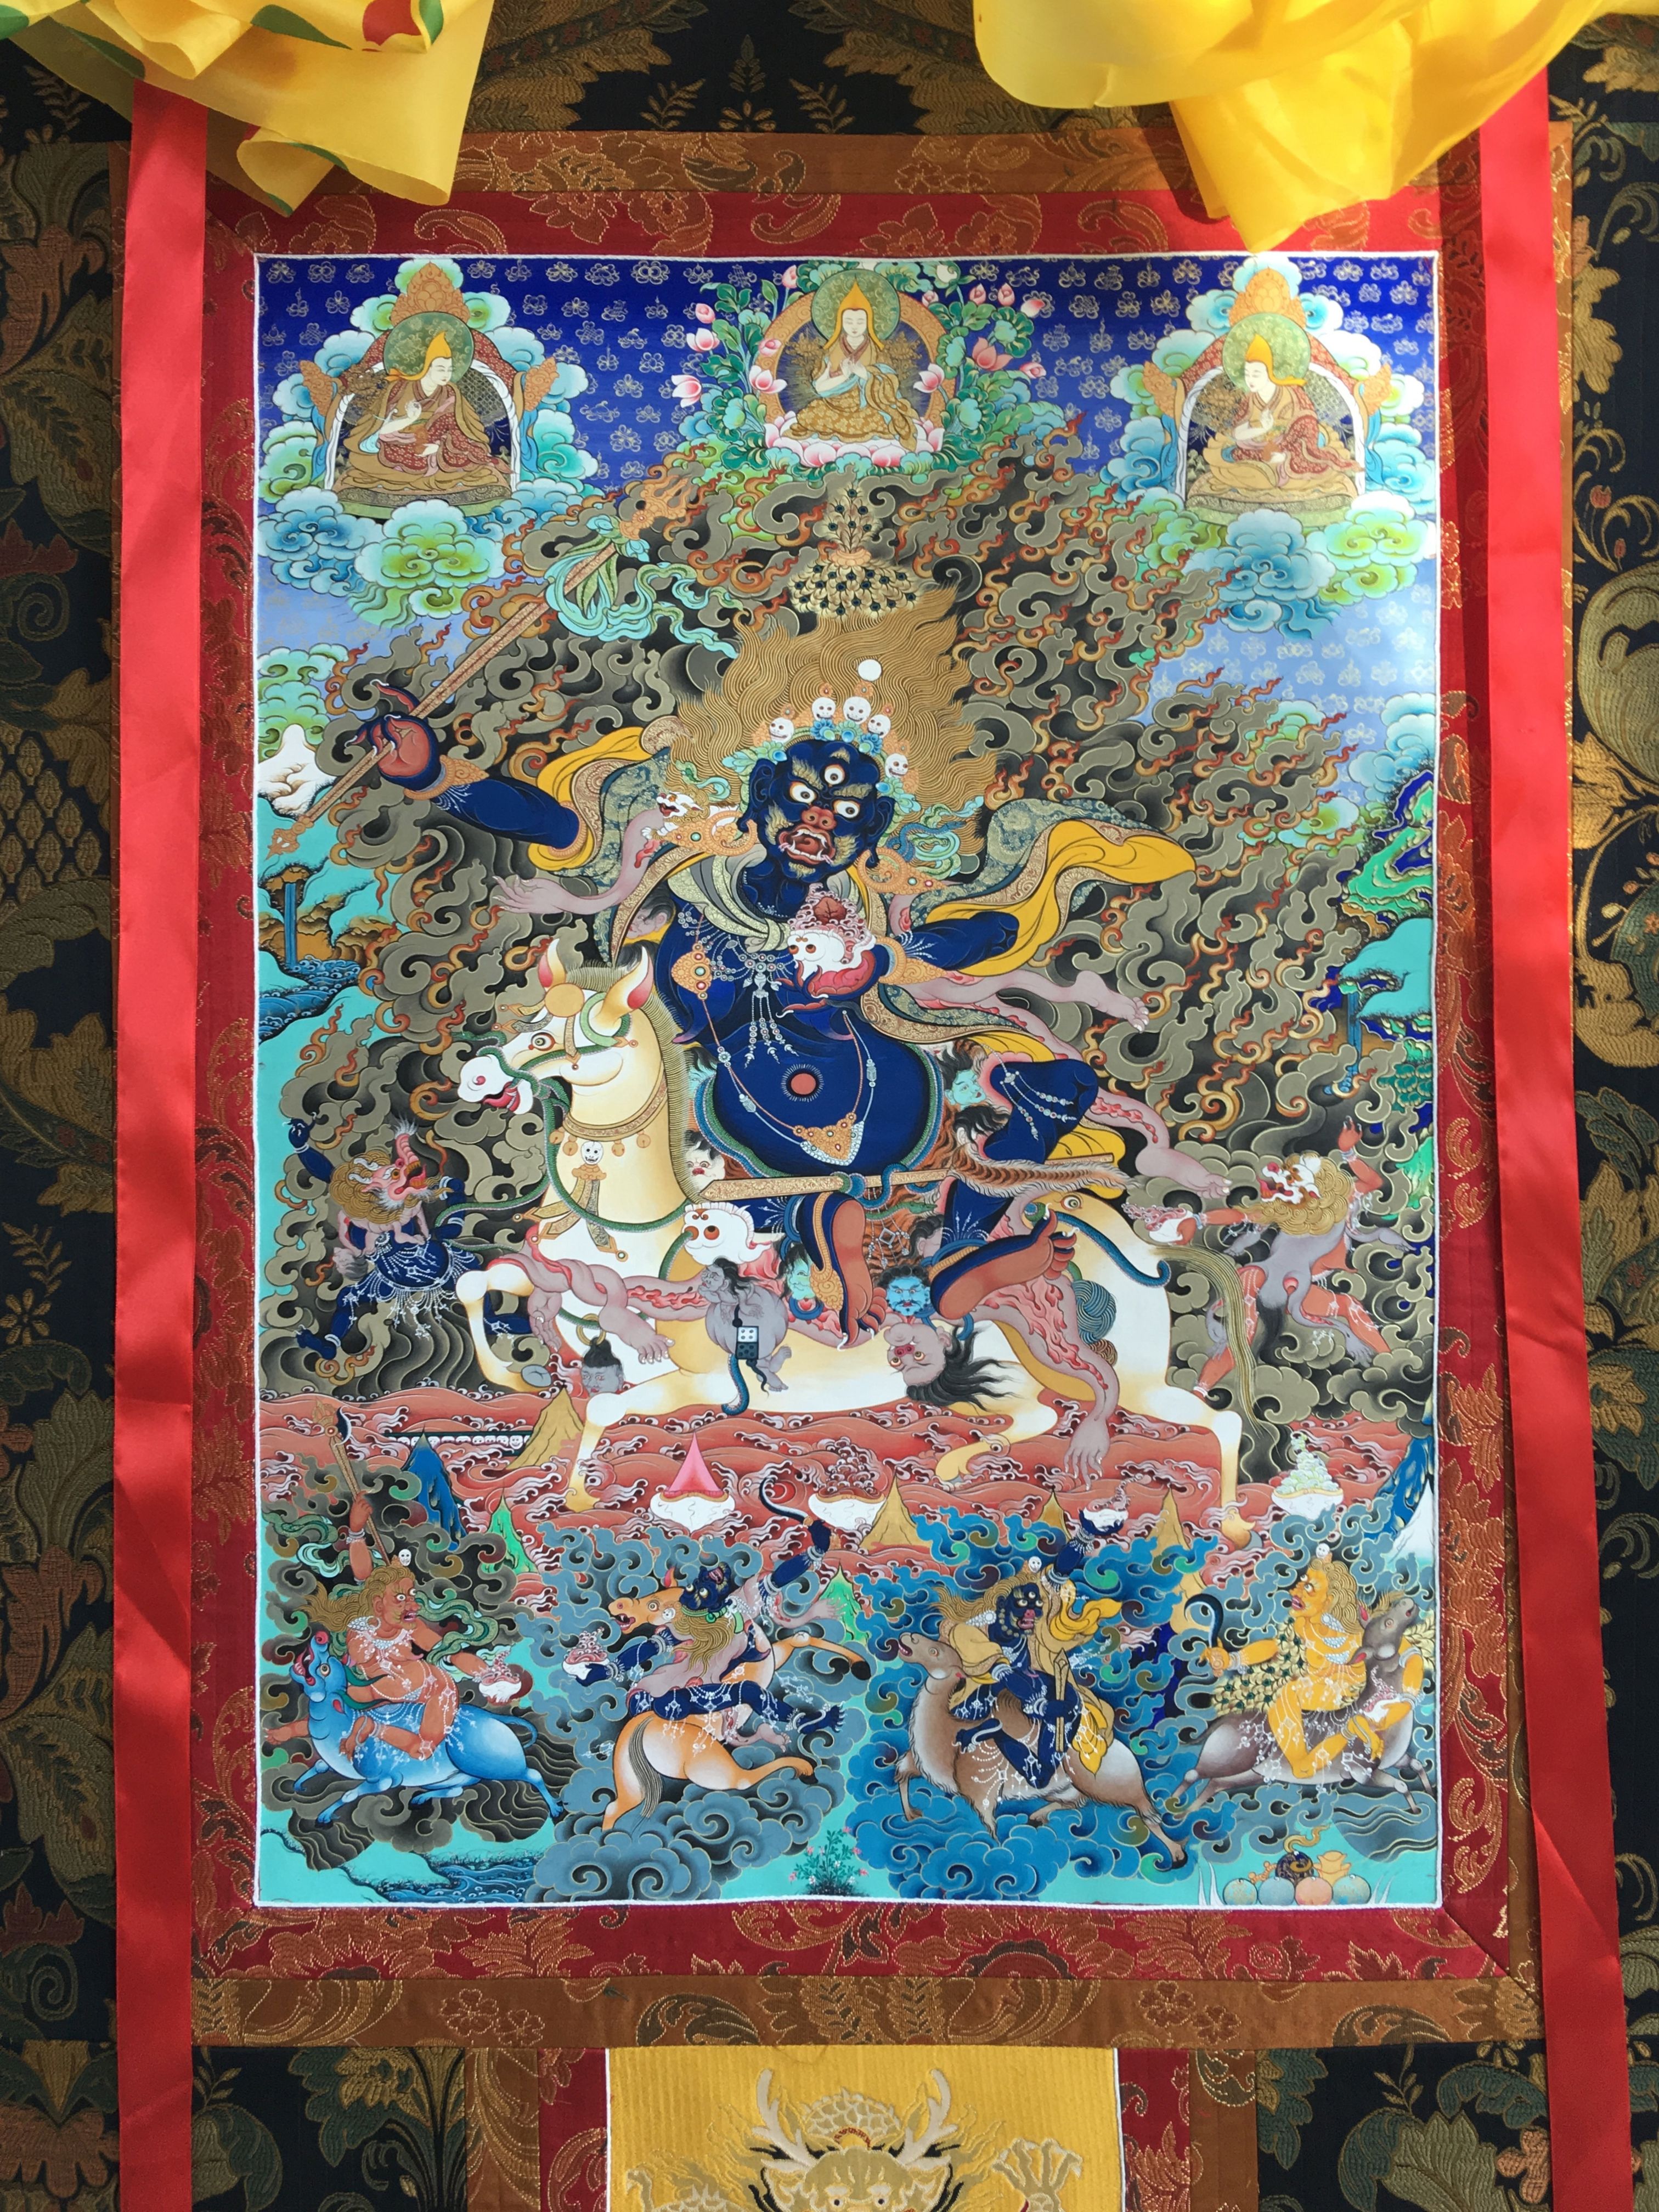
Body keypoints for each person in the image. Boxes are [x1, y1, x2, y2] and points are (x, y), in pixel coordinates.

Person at [1207, 1545, 1371, 1779]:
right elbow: (1275, 1646)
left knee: (1288, 1694)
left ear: (1330, 1601)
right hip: (1313, 1683)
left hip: (1344, 1690)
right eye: (1302, 1582)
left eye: (1310, 1588)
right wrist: (1233, 1659)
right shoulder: (1303, 1625)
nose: (1297, 1591)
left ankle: (1322, 1749)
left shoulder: (1353, 1631)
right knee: (1282, 1690)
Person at [1187, 329, 1358, 517]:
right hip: (1256, 449)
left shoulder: (1292, 394)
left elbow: (1307, 427)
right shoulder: (1250, 399)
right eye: (1247, 374)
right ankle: (1267, 473)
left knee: (1291, 467)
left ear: (1270, 372)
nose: (1250, 380)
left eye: (1256, 374)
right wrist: (1263, 428)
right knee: (1228, 457)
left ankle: (1275, 472)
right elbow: (1238, 435)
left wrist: (1287, 454)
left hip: (1293, 448)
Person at [789, 284, 925, 449]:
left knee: (884, 420)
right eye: (849, 321)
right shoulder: (831, 352)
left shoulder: (877, 352)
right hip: (833, 407)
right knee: (810, 413)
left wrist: (865, 374)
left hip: (867, 408)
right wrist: (844, 376)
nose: (854, 326)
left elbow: (889, 382)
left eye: (860, 321)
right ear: (841, 322)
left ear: (869, 323)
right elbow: (820, 387)